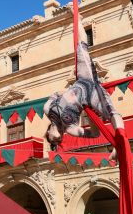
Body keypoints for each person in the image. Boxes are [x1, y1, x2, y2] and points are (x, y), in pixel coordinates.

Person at [44, 14, 124, 151]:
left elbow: (55, 93)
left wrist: (66, 94)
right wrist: (91, 114)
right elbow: (95, 134)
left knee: (81, 48)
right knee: (111, 114)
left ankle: (78, 18)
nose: (58, 141)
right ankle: (120, 143)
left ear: (48, 133)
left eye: (53, 142)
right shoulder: (71, 129)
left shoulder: (47, 109)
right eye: (58, 143)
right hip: (91, 96)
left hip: (83, 81)